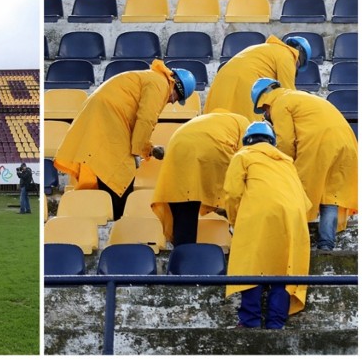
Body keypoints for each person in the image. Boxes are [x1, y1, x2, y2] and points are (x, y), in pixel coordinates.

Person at [53, 59, 196, 220]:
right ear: (176, 88)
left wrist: (147, 148)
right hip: (108, 116)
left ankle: (111, 217)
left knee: (109, 168)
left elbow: (137, 121)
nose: (171, 102)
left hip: (104, 115)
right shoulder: (160, 85)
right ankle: (117, 219)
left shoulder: (152, 78)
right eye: (176, 98)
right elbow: (146, 119)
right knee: (120, 172)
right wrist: (137, 152)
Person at [251, 77, 358, 252]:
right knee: (331, 195)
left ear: (264, 102)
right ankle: (326, 245)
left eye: (264, 111)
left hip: (319, 144)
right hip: (347, 142)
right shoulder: (299, 97)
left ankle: (295, 239)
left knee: (298, 190)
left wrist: (281, 167)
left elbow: (286, 142)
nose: (266, 115)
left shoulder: (279, 103)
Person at [224, 121, 311, 329]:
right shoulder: (287, 162)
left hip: (258, 215)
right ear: (272, 141)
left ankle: (250, 320)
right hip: (293, 218)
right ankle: (276, 323)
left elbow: (232, 193)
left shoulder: (243, 156)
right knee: (284, 270)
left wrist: (235, 221)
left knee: (251, 267)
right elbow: (305, 201)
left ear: (247, 140)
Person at [151, 110, 250, 246]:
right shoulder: (246, 125)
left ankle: (182, 259)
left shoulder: (216, 120)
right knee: (236, 197)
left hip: (177, 146)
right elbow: (241, 170)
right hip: (213, 148)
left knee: (184, 207)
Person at [203, 35, 311, 121]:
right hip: (245, 80)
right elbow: (288, 95)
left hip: (223, 77)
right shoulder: (288, 56)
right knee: (245, 125)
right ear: (299, 59)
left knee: (217, 120)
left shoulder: (267, 49)